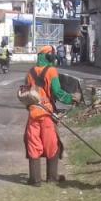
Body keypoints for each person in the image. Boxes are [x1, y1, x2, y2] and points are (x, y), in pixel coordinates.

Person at [23, 45, 79, 185]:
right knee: (52, 144)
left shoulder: (30, 72)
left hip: (33, 112)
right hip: (47, 113)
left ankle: (35, 180)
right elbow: (57, 92)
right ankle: (52, 178)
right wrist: (71, 99)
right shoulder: (51, 71)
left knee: (33, 144)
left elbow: (27, 92)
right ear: (49, 56)